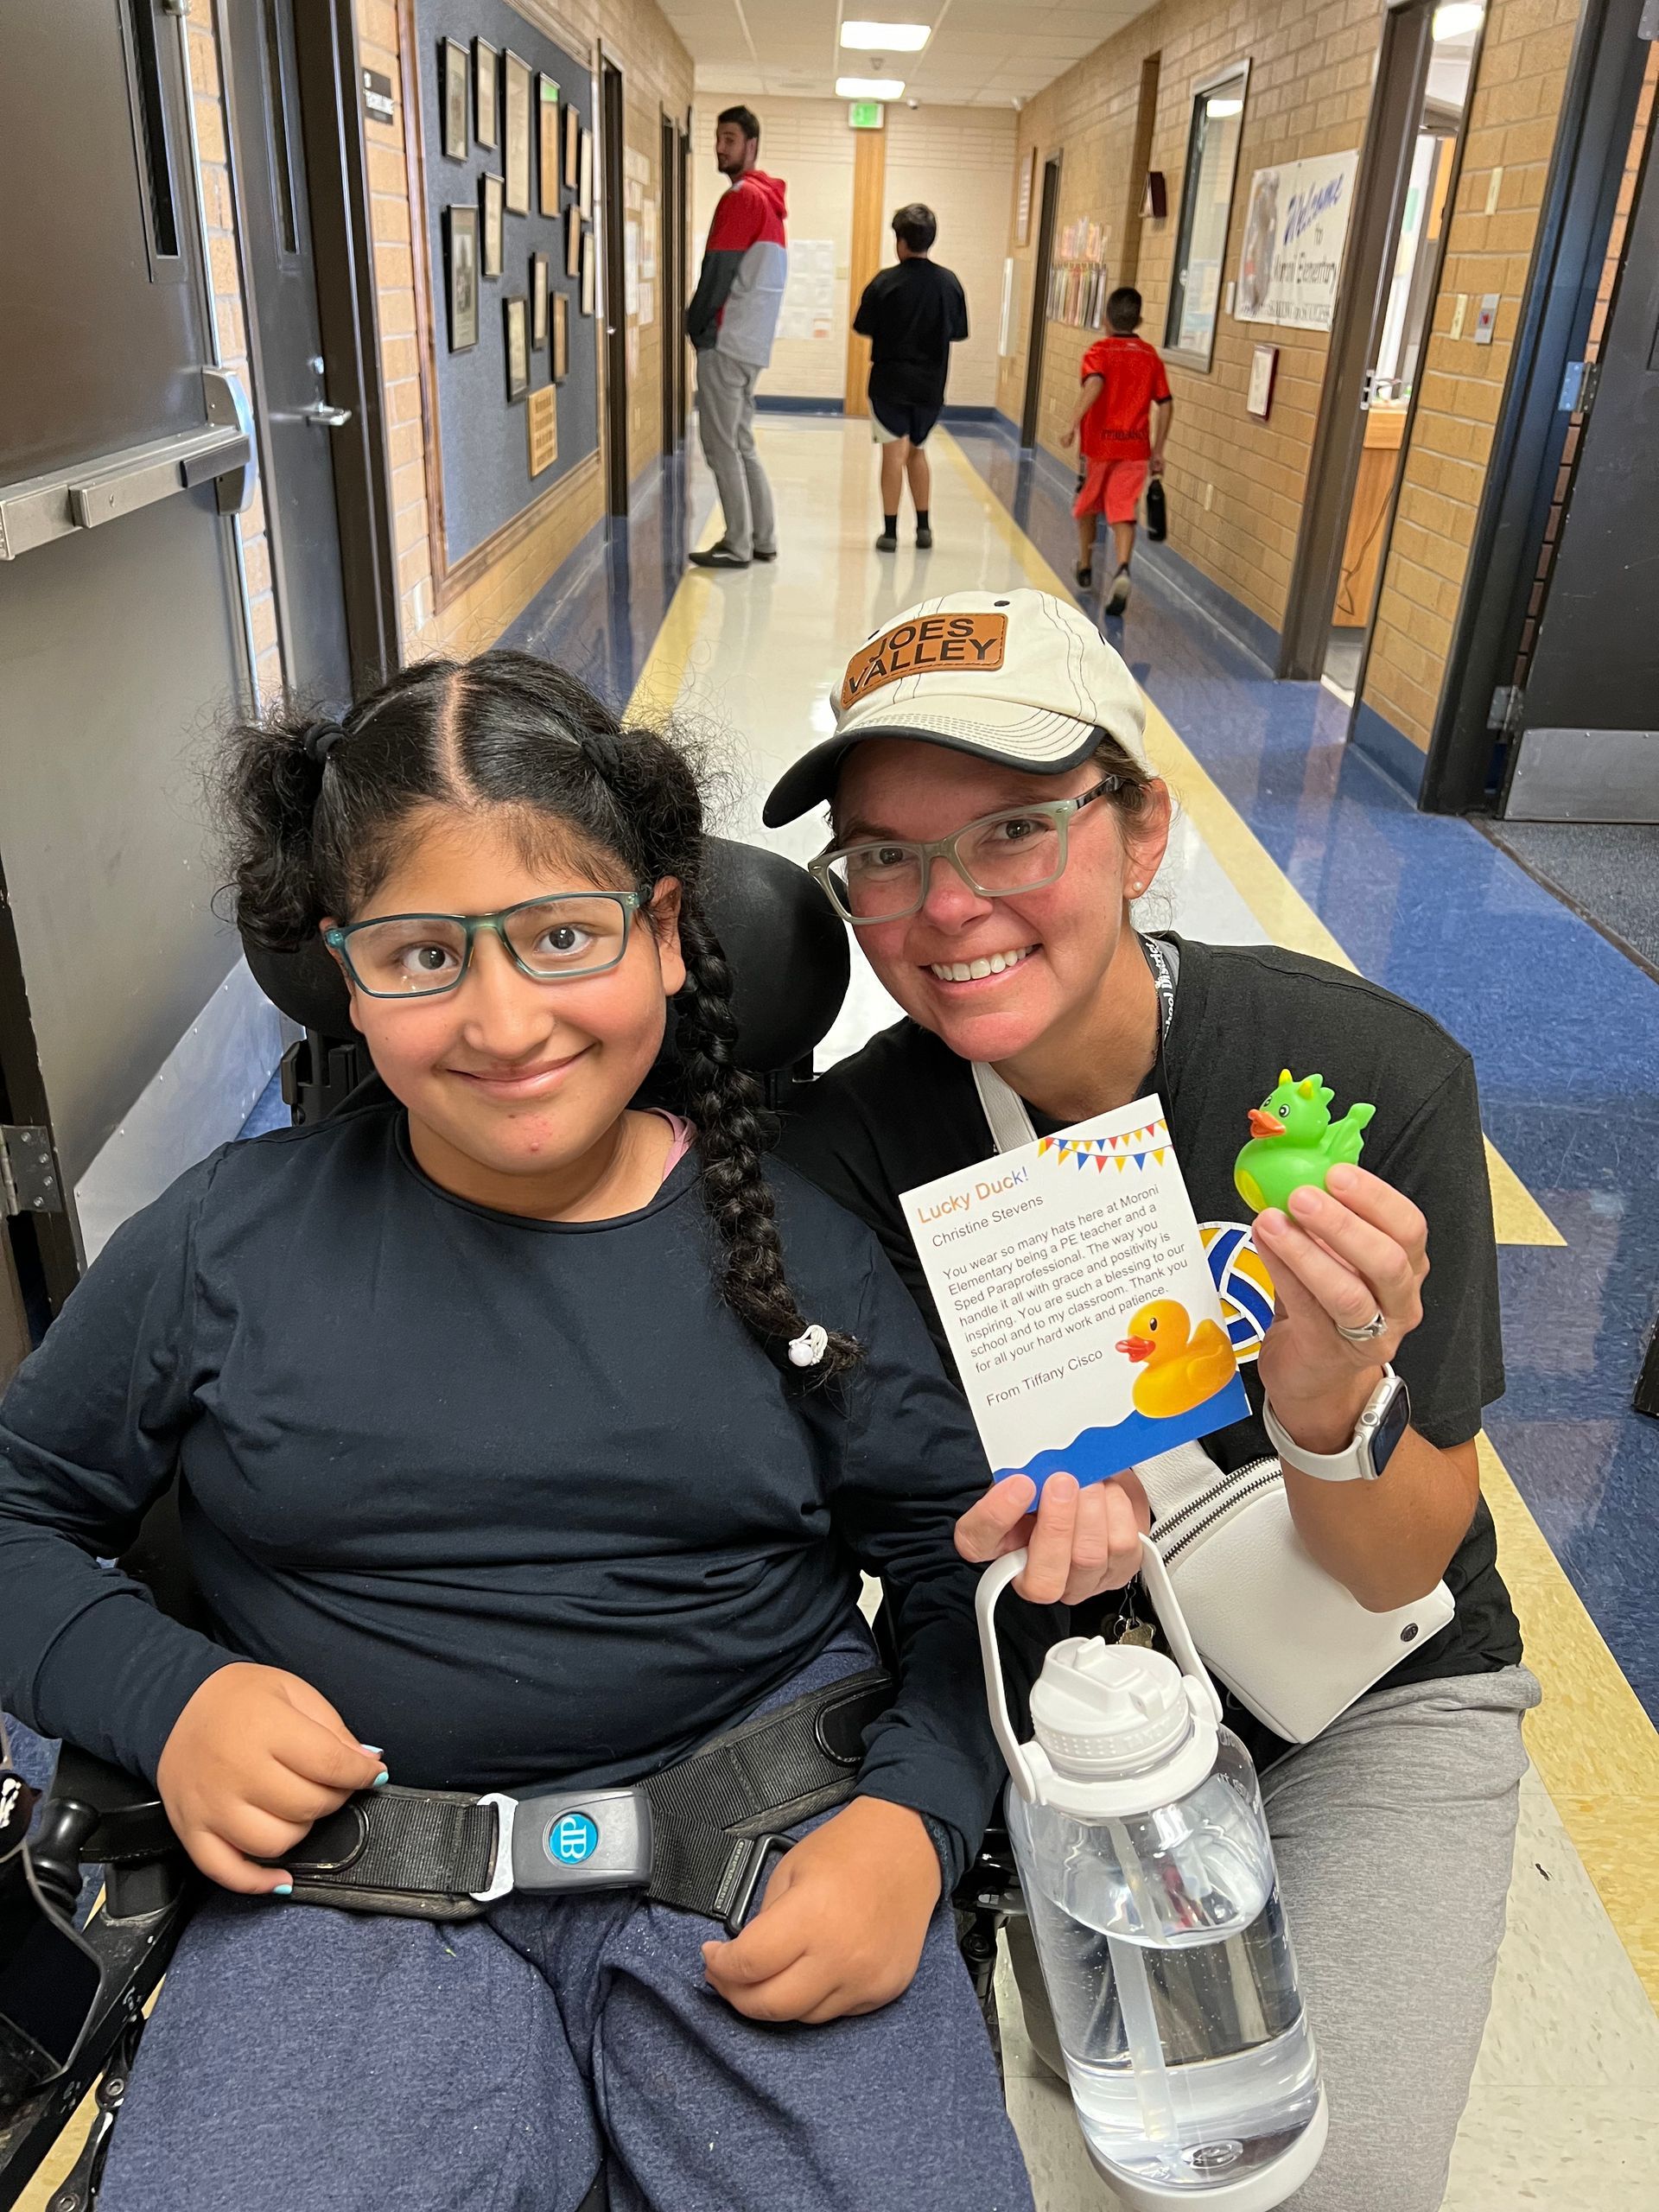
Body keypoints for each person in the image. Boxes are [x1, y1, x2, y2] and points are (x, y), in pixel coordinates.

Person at [0, 653, 1037, 2212]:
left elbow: (970, 1574)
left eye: (563, 936)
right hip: (344, 1880)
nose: (502, 1021)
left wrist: (918, 1822)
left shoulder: (799, 1245)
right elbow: (15, 1512)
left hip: (773, 1842)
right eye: (422, 954)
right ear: (345, 972)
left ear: (669, 934)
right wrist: (172, 1700)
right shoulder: (228, 1245)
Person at [766, 587, 1540, 2212]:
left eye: (1013, 832)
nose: (945, 905)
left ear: (1140, 832)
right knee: (1135, 2160)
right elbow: (871, 1520)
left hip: (1369, 1691)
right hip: (1070, 1700)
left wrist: (1325, 1402)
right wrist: (961, 1543)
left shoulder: (1366, 1083)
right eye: (885, 856)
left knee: (1340, 2183)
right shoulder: (846, 1153)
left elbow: (1406, 1566)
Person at [685, 105, 787, 571]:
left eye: (729, 138)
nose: (720, 148)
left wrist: (695, 325)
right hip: (752, 343)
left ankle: (737, 543)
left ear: (752, 145)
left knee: (720, 445)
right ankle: (762, 538)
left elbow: (718, 272)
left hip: (725, 341)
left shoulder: (742, 198)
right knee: (741, 441)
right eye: (717, 138)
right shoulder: (770, 203)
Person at [852, 203, 969, 553]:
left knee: (893, 455)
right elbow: (958, 333)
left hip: (889, 384)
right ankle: (924, 528)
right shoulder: (949, 283)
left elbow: (862, 327)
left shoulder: (884, 283)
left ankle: (889, 533)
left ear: (900, 241)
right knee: (917, 451)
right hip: (931, 386)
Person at [1059, 285, 1172, 613]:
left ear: (1106, 319)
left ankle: (1084, 566)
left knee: (1087, 507)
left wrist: (1071, 423)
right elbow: (1165, 404)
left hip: (1099, 448)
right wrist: (1159, 450)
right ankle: (1122, 568)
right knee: (1123, 510)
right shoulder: (1151, 356)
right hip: (1136, 449)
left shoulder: (1098, 352)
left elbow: (1095, 383)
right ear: (1139, 320)